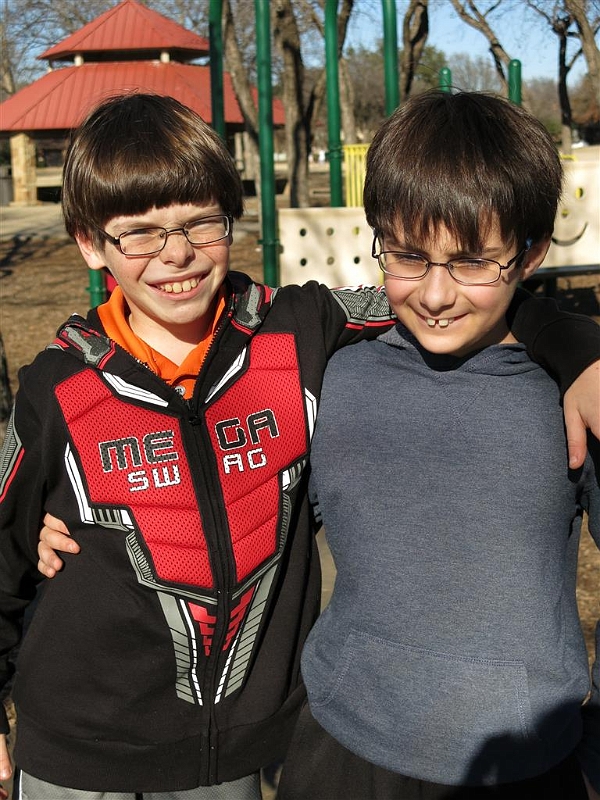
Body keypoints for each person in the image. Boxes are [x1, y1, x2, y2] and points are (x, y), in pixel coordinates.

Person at [1, 92, 599, 800]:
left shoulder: (300, 332)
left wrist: (577, 343)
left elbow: (461, 287)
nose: (176, 254)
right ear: (90, 242)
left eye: (202, 224)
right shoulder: (58, 384)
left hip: (242, 758)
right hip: (83, 748)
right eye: (139, 234)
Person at [275, 90, 600, 800]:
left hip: (521, 759)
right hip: (341, 747)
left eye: (474, 262)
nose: (435, 294)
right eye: (408, 257)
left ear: (531, 254)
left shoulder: (574, 395)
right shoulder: (335, 377)